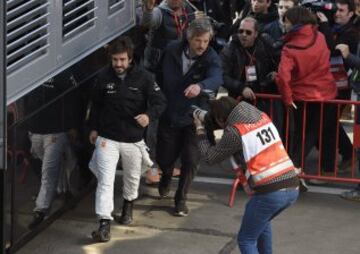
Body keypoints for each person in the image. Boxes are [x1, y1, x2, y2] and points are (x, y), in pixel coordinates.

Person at [194, 96, 299, 253]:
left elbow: (210, 157)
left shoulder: (236, 131)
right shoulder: (261, 116)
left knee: (246, 239)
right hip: (291, 185)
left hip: (271, 191)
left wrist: (200, 130)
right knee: (262, 224)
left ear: (222, 118)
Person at [88, 36, 166, 242]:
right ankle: (104, 224)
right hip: (108, 138)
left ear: (130, 59)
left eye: (122, 60)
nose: (118, 64)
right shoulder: (103, 77)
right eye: (115, 60)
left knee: (132, 178)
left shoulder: (145, 77)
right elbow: (95, 105)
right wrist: (93, 128)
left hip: (133, 139)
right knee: (105, 181)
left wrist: (149, 115)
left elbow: (160, 102)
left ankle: (128, 207)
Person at [156, 18, 223, 216]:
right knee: (165, 157)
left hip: (195, 116)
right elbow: (158, 74)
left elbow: (216, 77)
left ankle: (181, 199)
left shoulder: (211, 57)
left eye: (205, 41)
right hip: (170, 111)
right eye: (198, 40)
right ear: (189, 38)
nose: (202, 45)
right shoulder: (171, 50)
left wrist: (200, 86)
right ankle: (166, 174)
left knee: (191, 159)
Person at [275, 6, 337, 171]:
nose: (285, 25)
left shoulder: (289, 48)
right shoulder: (320, 37)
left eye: (287, 22)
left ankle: (294, 167)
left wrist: (287, 98)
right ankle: (297, 167)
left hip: (301, 96)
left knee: (302, 134)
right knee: (313, 133)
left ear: (294, 22)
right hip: (326, 93)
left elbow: (283, 77)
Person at [26, 68, 82, 230]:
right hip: (34, 130)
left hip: (55, 131)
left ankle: (40, 210)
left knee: (48, 170)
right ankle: (63, 191)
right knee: (48, 166)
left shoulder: (62, 71)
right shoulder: (31, 68)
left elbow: (74, 98)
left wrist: (72, 125)